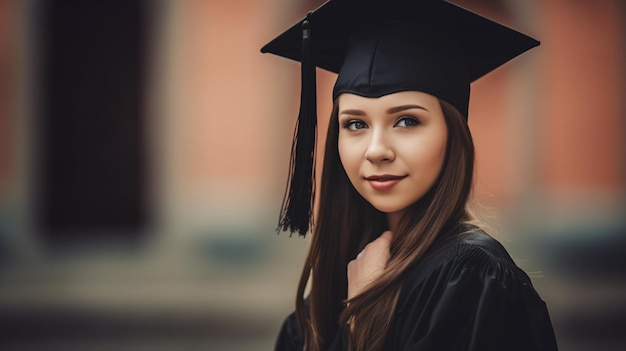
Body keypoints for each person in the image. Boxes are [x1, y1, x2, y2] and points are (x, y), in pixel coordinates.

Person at [261, 0, 558, 350]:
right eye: (355, 123)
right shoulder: (326, 298)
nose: (375, 150)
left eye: (406, 121)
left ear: (453, 134)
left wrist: (360, 322)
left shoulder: (473, 282)